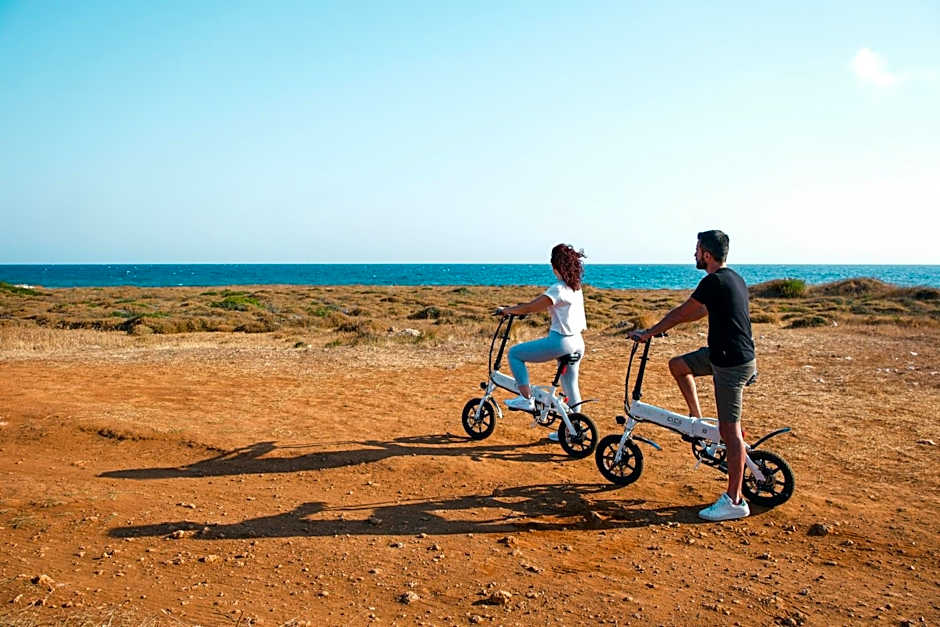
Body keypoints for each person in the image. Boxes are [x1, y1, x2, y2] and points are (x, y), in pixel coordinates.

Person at [630, 230, 756, 521]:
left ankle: (735, 500)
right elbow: (698, 311)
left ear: (707, 255)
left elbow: (681, 312)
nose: (694, 254)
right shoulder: (734, 278)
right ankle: (698, 422)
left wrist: (649, 332)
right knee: (678, 365)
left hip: (731, 364)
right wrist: (663, 329)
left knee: (730, 432)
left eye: (697, 250)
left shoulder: (713, 281)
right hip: (723, 355)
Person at [496, 244, 587, 441]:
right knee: (571, 386)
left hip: (560, 342)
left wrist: (507, 310)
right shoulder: (576, 288)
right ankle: (572, 430)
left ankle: (526, 399)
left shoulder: (558, 289)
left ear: (556, 267)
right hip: (578, 342)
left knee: (514, 354)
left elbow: (530, 308)